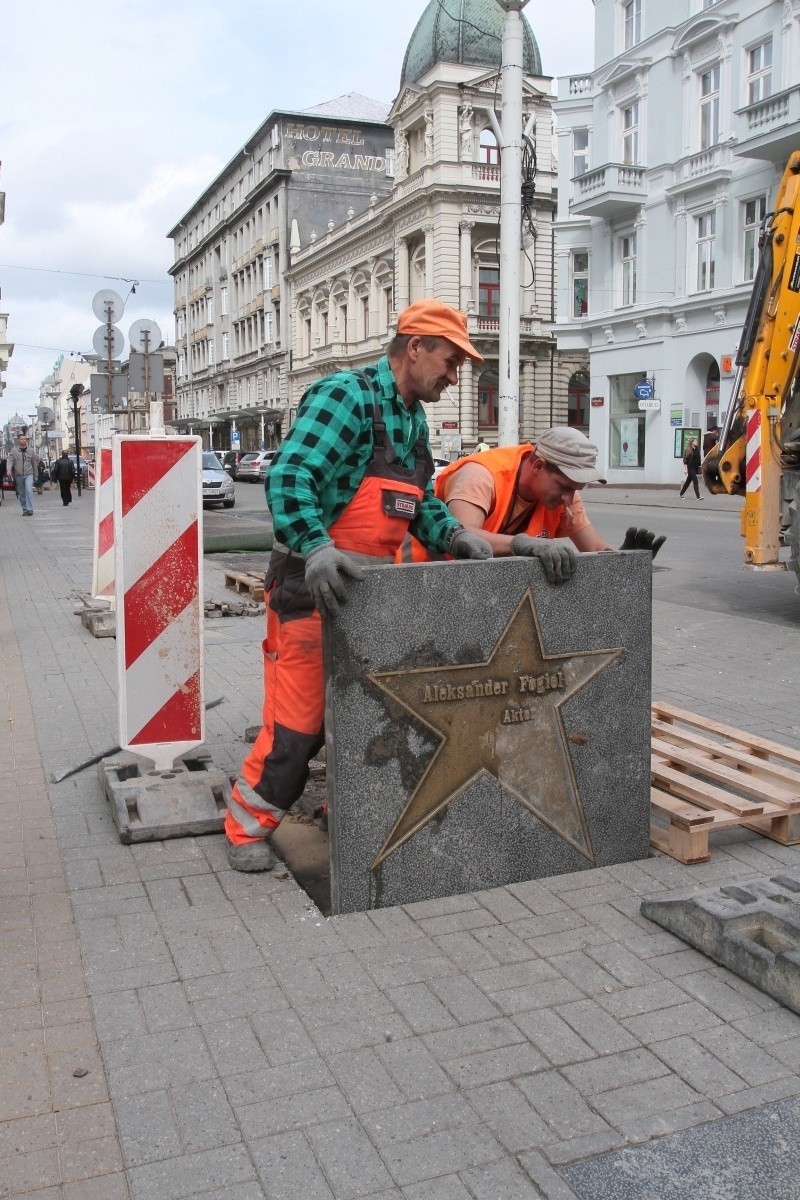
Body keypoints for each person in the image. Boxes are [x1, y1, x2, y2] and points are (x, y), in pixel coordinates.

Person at [224, 299, 492, 872]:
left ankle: (346, 815)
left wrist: (457, 535)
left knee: (369, 717)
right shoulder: (346, 397)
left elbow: (415, 504)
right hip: (310, 586)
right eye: (449, 362)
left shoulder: (412, 418)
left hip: (370, 595)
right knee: (298, 727)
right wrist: (316, 546)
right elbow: (291, 475)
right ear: (414, 346)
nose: (453, 375)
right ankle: (246, 827)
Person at [400, 427, 666, 582]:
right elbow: (464, 537)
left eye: (575, 490)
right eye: (564, 487)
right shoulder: (482, 475)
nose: (569, 498)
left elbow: (594, 548)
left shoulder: (566, 494)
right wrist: (522, 543)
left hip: (476, 585)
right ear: (538, 466)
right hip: (420, 577)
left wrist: (626, 561)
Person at [8, 433, 39, 516]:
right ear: (18, 440)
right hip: (18, 475)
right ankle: (24, 509)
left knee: (29, 490)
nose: (23, 441)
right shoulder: (14, 451)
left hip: (29, 473)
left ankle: (30, 509)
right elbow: (10, 461)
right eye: (22, 439)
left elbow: (34, 464)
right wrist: (9, 469)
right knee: (22, 493)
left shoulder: (31, 451)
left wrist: (36, 475)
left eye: (25, 439)